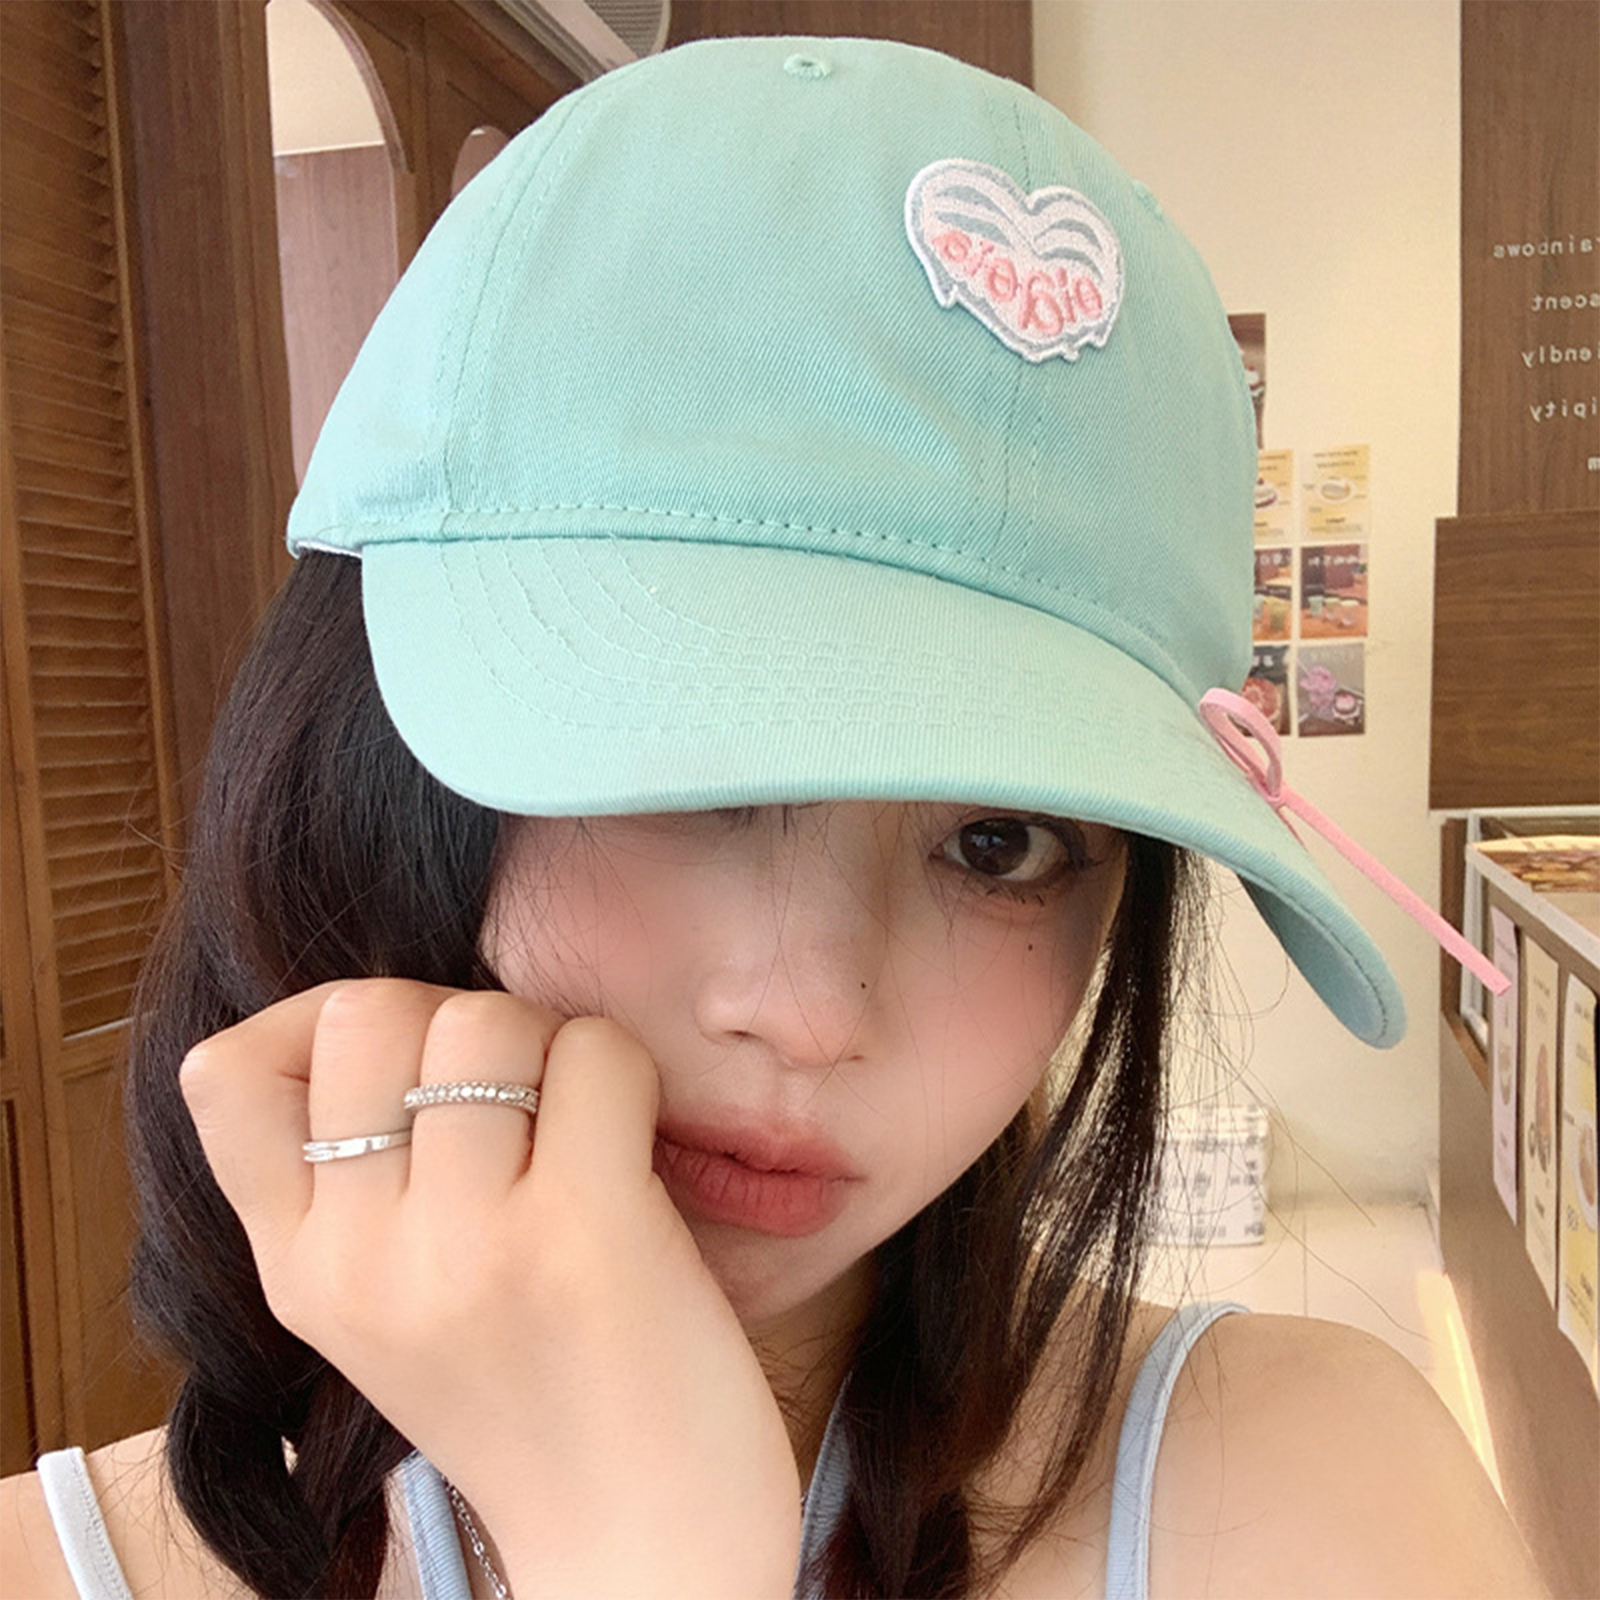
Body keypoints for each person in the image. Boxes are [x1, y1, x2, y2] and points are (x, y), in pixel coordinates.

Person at [1, 34, 1544, 1600]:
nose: (810, 1012)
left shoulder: (1324, 1501)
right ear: (365, 756)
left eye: (1001, 845)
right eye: (699, 776)